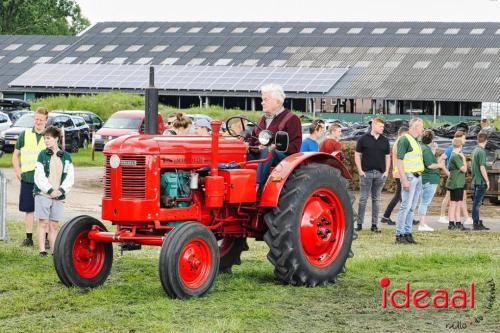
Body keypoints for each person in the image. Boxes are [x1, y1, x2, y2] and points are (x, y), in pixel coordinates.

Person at [249, 83, 302, 188]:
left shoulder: (291, 119)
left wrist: (275, 146)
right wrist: (251, 147)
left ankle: (257, 186)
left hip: (282, 157)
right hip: (260, 153)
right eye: (262, 99)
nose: (262, 103)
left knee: (269, 151)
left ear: (277, 102)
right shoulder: (261, 120)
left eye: (266, 100)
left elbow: (295, 146)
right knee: (240, 153)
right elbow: (253, 140)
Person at [34, 126, 74, 256]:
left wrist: (61, 191)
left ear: (56, 139)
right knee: (43, 222)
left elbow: (70, 177)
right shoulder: (42, 155)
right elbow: (39, 177)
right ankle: (42, 250)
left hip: (59, 195)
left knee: (54, 224)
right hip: (43, 194)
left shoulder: (66, 157)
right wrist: (50, 190)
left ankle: (54, 251)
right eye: (45, 138)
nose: (46, 141)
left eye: (48, 138)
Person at [12, 107, 49, 247]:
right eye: (36, 119)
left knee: (44, 209)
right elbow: (15, 155)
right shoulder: (25, 134)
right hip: (27, 178)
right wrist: (17, 171)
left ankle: (45, 238)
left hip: (44, 180)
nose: (38, 121)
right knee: (29, 209)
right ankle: (28, 238)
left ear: (46, 120)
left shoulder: (49, 136)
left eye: (41, 119)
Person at [354, 117, 390, 233]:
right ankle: (359, 224)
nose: (382, 128)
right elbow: (357, 155)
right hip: (366, 173)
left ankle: (374, 225)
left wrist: (386, 171)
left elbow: (388, 157)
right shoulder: (363, 139)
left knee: (377, 199)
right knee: (363, 199)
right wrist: (360, 170)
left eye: (383, 127)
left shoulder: (385, 140)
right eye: (380, 126)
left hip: (380, 174)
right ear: (373, 125)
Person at [395, 118, 424, 244]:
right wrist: (404, 179)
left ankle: (407, 233)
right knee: (405, 207)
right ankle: (399, 235)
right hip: (410, 176)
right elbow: (399, 160)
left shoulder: (415, 141)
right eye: (421, 126)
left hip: (417, 176)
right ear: (414, 127)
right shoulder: (405, 139)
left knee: (411, 208)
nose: (422, 129)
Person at [417, 130, 449, 232]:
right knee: (424, 202)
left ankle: (422, 223)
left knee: (424, 202)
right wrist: (441, 165)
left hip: (427, 179)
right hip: (429, 179)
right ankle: (422, 224)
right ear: (431, 139)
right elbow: (430, 165)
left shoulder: (424, 148)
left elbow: (431, 161)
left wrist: (434, 150)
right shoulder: (425, 150)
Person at [438, 131, 472, 225]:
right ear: (459, 138)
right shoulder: (451, 149)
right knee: (449, 199)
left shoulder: (459, 150)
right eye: (464, 138)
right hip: (454, 179)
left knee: (461, 199)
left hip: (459, 179)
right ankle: (442, 216)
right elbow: (440, 160)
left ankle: (464, 218)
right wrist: (447, 172)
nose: (465, 140)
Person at [381, 126, 409, 225]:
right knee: (398, 196)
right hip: (399, 173)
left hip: (398, 172)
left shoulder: (398, 143)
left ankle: (405, 217)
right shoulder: (399, 144)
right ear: (402, 134)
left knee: (401, 196)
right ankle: (386, 216)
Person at [446, 138, 468, 231]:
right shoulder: (456, 156)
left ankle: (458, 222)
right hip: (456, 183)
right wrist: (464, 159)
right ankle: (451, 223)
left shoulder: (454, 155)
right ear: (461, 146)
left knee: (458, 203)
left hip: (458, 182)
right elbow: (464, 169)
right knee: (453, 203)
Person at [470, 132, 490, 230]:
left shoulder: (475, 150)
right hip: (481, 181)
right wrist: (487, 181)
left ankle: (476, 221)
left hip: (475, 180)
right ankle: (476, 223)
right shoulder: (481, 152)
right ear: (486, 140)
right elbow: (482, 167)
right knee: (477, 204)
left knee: (476, 203)